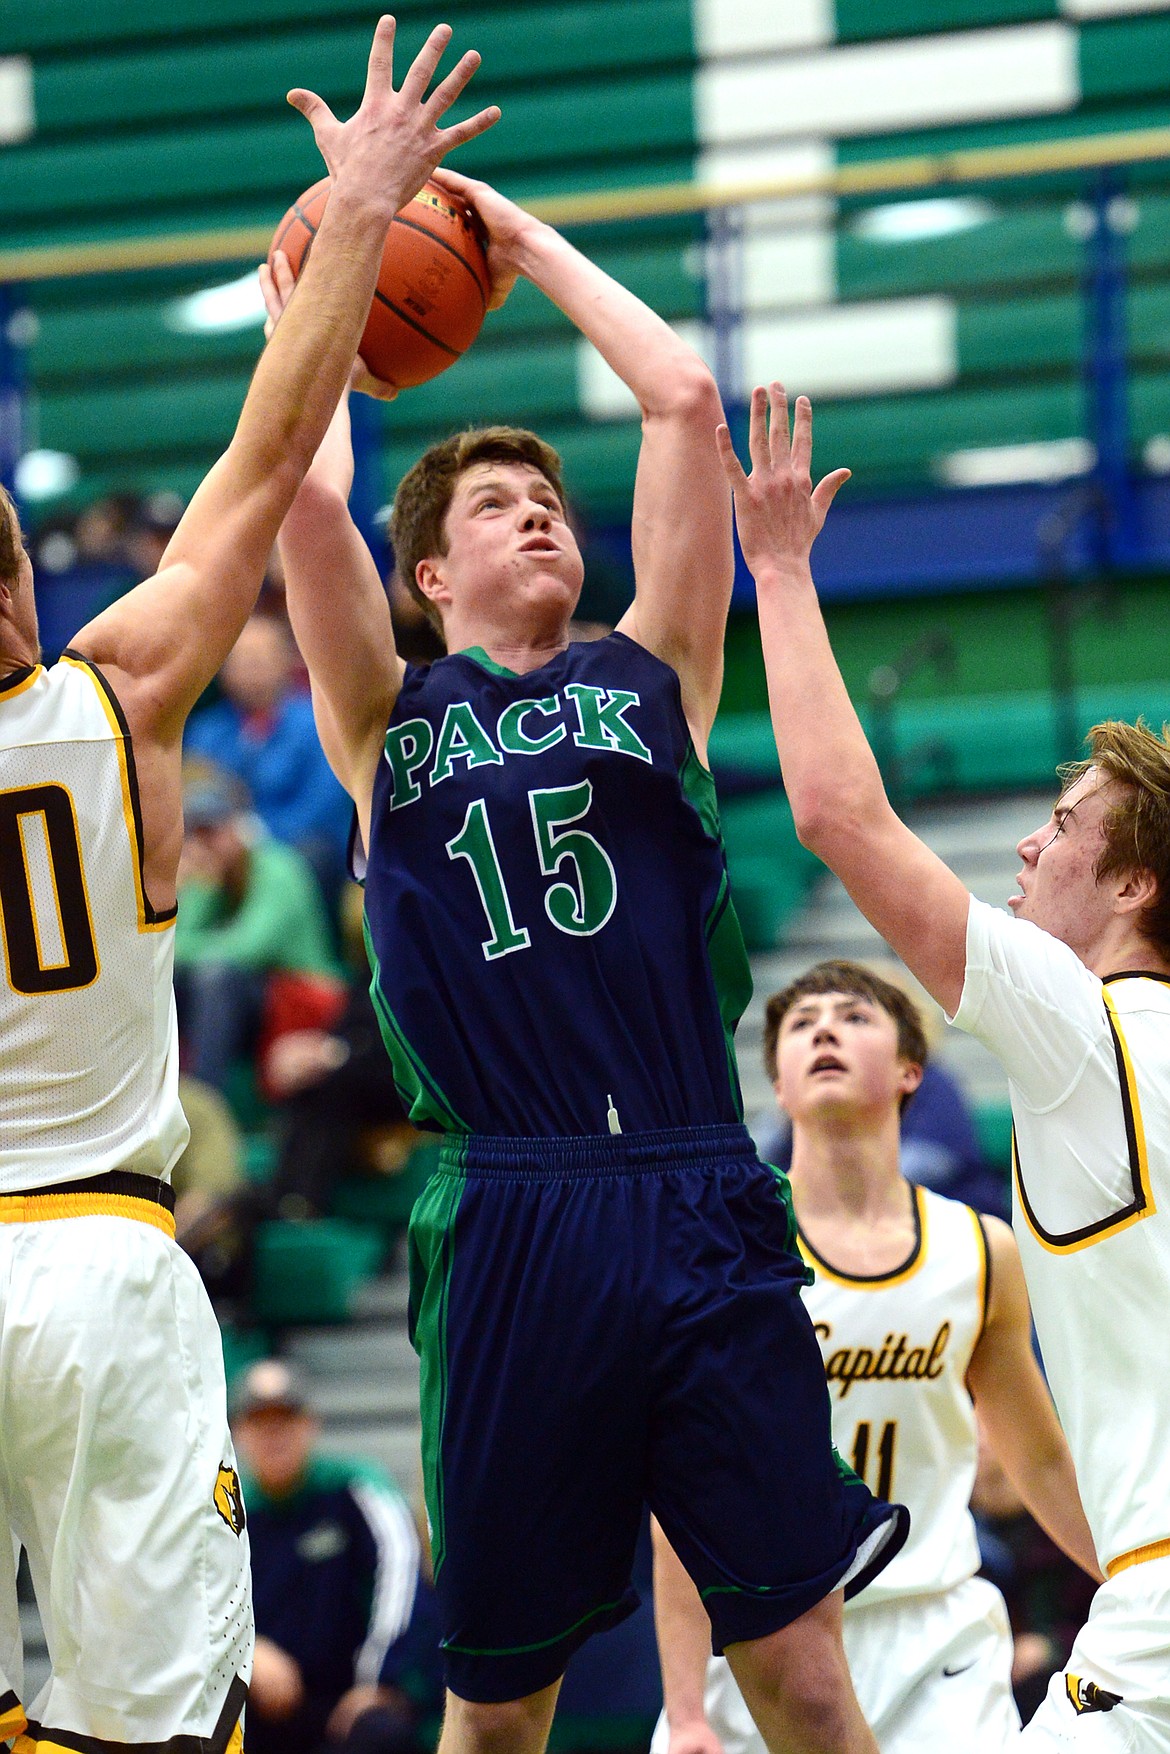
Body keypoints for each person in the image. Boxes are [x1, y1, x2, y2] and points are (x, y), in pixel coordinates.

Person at [267, 167, 908, 1754]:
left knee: (809, 1675)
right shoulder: (382, 722)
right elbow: (289, 486)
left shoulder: (653, 675)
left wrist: (515, 240)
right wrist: (347, 273)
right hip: (509, 1210)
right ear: (429, 576)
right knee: (499, 1705)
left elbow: (683, 396)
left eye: (546, 495)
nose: (535, 509)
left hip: (700, 1194)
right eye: (494, 504)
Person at [0, 25, 498, 1750]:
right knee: (150, 1719)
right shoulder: (113, 687)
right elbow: (269, 458)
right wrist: (357, 218)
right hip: (103, 1258)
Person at [719, 380, 1170, 1748]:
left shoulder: (1083, 1017)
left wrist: (783, 575)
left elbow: (836, 814)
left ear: (1138, 881)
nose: (1027, 846)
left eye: (1060, 824)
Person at [651, 959, 1100, 1754]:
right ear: (779, 1088)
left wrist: (1135, 1580)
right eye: (801, 1023)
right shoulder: (722, 1251)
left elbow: (1039, 1457)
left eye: (854, 1016)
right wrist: (685, 1710)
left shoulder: (981, 1250)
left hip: (932, 1631)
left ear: (909, 1070)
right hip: (764, 1631)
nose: (825, 1027)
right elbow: (682, 1499)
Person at [232, 1359, 436, 1754]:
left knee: (381, 1737)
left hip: (350, 1702)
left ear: (310, 1425)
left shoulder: (355, 1489)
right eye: (260, 1422)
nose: (274, 1434)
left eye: (285, 1419)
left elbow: (403, 1574)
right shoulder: (227, 1515)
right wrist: (248, 1651)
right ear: (238, 1433)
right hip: (258, 1706)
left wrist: (378, 1683)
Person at [174, 762, 338, 1092]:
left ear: (237, 826)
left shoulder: (277, 867)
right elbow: (171, 950)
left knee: (215, 977)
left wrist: (189, 946)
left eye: (213, 830)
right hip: (252, 997)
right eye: (198, 833)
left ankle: (206, 1101)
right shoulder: (212, 881)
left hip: (302, 993)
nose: (206, 843)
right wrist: (193, 890)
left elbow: (249, 949)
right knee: (177, 980)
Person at [185, 611, 352, 899]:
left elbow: (325, 805)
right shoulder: (206, 731)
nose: (252, 672)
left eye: (260, 660)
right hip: (220, 854)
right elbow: (193, 800)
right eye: (242, 662)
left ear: (287, 662)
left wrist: (251, 838)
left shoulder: (317, 724)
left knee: (309, 857)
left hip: (299, 848)